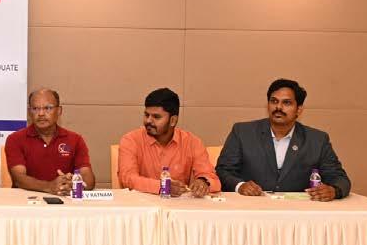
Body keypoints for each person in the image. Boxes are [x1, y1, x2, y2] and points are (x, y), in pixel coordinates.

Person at [215, 78, 350, 201]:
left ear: (299, 109)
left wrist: (333, 191)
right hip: (251, 207)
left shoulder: (317, 140)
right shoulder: (243, 132)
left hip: (298, 211)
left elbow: (339, 178)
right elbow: (223, 171)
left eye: (287, 103)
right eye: (274, 101)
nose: (278, 107)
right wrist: (240, 186)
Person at [117, 87, 220, 197]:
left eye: (156, 117)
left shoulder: (192, 142)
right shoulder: (131, 140)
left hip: (179, 205)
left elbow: (213, 180)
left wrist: (203, 182)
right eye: (146, 115)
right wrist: (162, 187)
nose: (148, 121)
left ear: (173, 121)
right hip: (141, 204)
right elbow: (127, 178)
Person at [4, 88, 95, 194]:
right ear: (29, 112)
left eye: (47, 108)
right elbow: (19, 179)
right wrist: (49, 186)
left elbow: (88, 180)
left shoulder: (75, 140)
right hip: (26, 201)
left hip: (64, 200)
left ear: (59, 111)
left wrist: (70, 184)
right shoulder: (15, 139)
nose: (41, 113)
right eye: (35, 108)